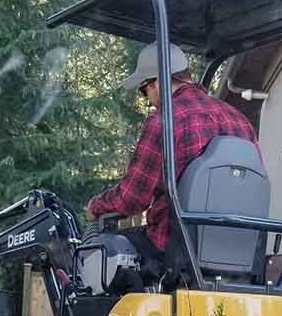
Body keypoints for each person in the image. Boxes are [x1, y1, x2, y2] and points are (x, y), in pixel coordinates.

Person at [86, 42, 258, 264]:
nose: (148, 100)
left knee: (96, 255)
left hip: (173, 250)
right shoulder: (240, 121)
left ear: (157, 82)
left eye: (144, 90)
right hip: (238, 254)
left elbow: (132, 199)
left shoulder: (164, 121)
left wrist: (96, 206)